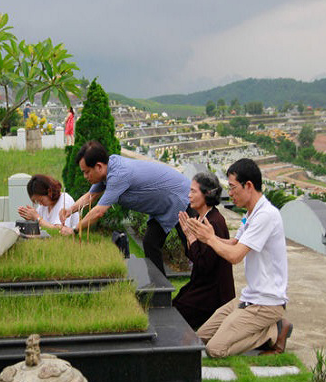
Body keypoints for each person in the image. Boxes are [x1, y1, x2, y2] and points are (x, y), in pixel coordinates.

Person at [182, 158, 292, 357]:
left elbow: (235, 256)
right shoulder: (251, 214)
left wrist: (208, 238)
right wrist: (201, 237)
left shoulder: (266, 215)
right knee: (201, 336)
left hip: (266, 304)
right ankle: (265, 329)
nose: (229, 193)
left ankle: (274, 331)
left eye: (233, 188)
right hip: (249, 297)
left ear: (248, 186)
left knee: (215, 349)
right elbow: (233, 243)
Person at [59, 140, 190, 274]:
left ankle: (204, 288)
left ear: (98, 166)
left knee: (194, 248)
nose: (85, 176)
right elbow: (90, 197)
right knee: (150, 243)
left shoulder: (118, 175)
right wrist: (70, 210)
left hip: (182, 199)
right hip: (163, 207)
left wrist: (75, 230)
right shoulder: (107, 170)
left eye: (87, 172)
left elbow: (99, 212)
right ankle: (160, 290)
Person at [173, 172, 235, 329]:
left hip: (213, 292)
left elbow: (205, 266)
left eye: (193, 191)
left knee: (177, 312)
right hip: (201, 284)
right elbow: (193, 256)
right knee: (173, 305)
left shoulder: (214, 222)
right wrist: (189, 237)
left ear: (207, 194)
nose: (189, 195)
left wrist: (191, 238)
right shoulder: (200, 217)